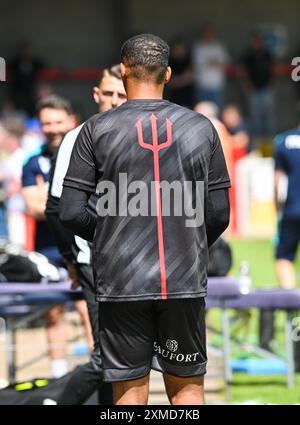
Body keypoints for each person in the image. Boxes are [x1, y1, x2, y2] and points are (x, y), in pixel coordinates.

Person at [60, 33, 231, 405]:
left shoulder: (94, 131)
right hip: (182, 279)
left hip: (122, 281)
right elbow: (219, 213)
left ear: (123, 71)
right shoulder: (203, 128)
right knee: (187, 389)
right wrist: (188, 240)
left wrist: (108, 234)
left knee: (129, 392)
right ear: (168, 74)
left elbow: (70, 210)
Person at [45, 65, 126, 404]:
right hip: (95, 259)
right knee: (108, 354)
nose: (114, 101)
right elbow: (56, 206)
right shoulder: (78, 138)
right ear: (96, 94)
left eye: (122, 94)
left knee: (126, 356)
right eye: (108, 93)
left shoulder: (142, 135)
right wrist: (72, 261)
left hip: (137, 261)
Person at [21, 95, 92, 378]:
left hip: (82, 246)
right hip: (48, 250)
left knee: (89, 311)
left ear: (71, 121)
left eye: (58, 122)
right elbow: (33, 207)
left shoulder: (86, 153)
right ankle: (59, 377)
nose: (52, 128)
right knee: (54, 314)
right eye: (46, 123)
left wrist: (48, 197)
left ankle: (96, 377)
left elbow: (48, 205)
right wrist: (70, 203)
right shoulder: (32, 162)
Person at [243, 32, 275, 145]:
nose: (257, 43)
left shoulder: (267, 54)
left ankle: (270, 143)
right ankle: (257, 144)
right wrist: (247, 84)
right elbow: (244, 71)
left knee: (268, 118)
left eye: (259, 41)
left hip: (266, 89)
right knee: (255, 119)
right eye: (255, 41)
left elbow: (272, 69)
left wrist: (271, 83)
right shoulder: (249, 55)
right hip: (254, 90)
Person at [192, 26, 230, 109]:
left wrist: (211, 62)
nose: (208, 35)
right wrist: (214, 62)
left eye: (210, 33)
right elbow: (198, 65)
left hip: (217, 85)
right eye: (206, 33)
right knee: (202, 114)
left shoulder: (219, 46)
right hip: (203, 85)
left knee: (218, 112)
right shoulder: (199, 46)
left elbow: (225, 64)